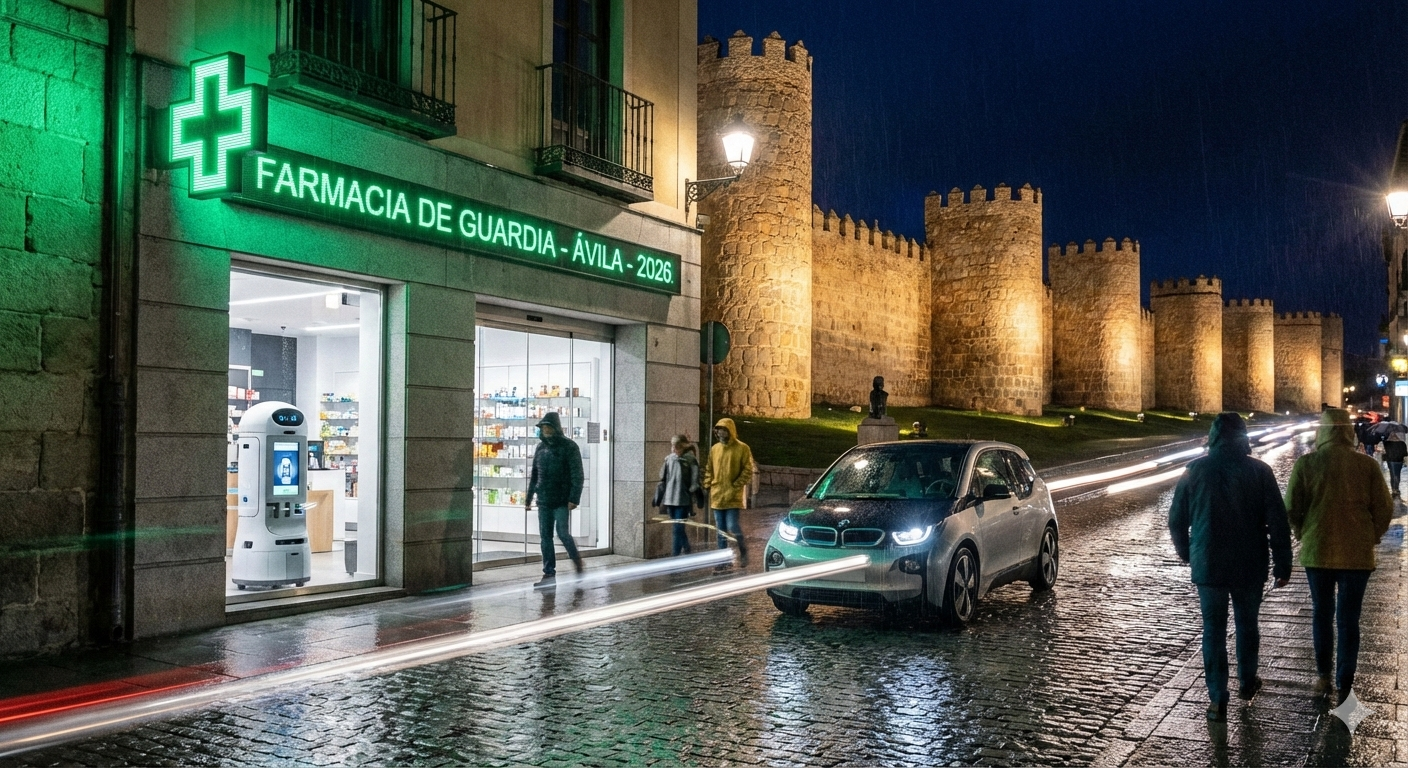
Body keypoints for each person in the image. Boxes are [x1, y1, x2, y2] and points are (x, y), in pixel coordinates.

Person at [1168, 412, 1292, 722]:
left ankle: (1217, 698)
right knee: (1247, 624)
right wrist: (1283, 562)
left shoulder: (1194, 470)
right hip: (1250, 562)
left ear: (1212, 436)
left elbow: (1176, 520)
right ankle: (1247, 681)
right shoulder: (1260, 471)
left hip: (1208, 562)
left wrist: (1187, 552)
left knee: (1213, 629)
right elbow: (1278, 520)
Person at [1285, 408, 1393, 703]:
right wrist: (1371, 536)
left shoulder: (1307, 464)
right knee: (1349, 619)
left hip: (1317, 552)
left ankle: (1322, 676)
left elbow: (1291, 507)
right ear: (1348, 431)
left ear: (1322, 431)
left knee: (1322, 614)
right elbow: (1384, 509)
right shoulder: (1366, 465)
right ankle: (1345, 680)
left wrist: (1301, 533)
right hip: (1356, 555)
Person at [526, 411, 584, 588]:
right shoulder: (540, 448)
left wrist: (574, 497)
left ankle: (577, 563)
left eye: (548, 427)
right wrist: (528, 497)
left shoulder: (569, 447)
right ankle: (548, 573)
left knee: (562, 533)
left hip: (561, 499)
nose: (546, 430)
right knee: (545, 537)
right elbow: (535, 474)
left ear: (556, 428)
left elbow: (577, 474)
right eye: (543, 427)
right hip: (543, 498)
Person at [702, 418, 754, 567]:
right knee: (721, 530)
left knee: (733, 526)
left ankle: (743, 551)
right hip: (718, 495)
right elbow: (709, 469)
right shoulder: (715, 449)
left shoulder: (742, 448)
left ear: (730, 431)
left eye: (724, 429)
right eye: (718, 429)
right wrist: (707, 485)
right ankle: (723, 559)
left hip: (732, 496)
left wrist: (735, 486)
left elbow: (747, 470)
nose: (720, 432)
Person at [656, 434, 702, 556]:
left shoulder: (690, 459)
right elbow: (662, 476)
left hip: (683, 499)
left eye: (676, 446)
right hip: (670, 499)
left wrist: (692, 490)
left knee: (677, 529)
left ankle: (674, 556)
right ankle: (687, 548)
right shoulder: (669, 459)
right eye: (672, 445)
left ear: (682, 446)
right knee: (677, 527)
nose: (674, 448)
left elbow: (695, 480)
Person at [1383, 432, 1407, 499]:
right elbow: (1405, 453)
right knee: (1397, 474)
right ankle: (1396, 488)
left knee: (1392, 475)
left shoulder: (1387, 443)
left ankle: (1394, 489)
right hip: (1399, 461)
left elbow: (1384, 452)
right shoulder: (1402, 443)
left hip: (1391, 461)